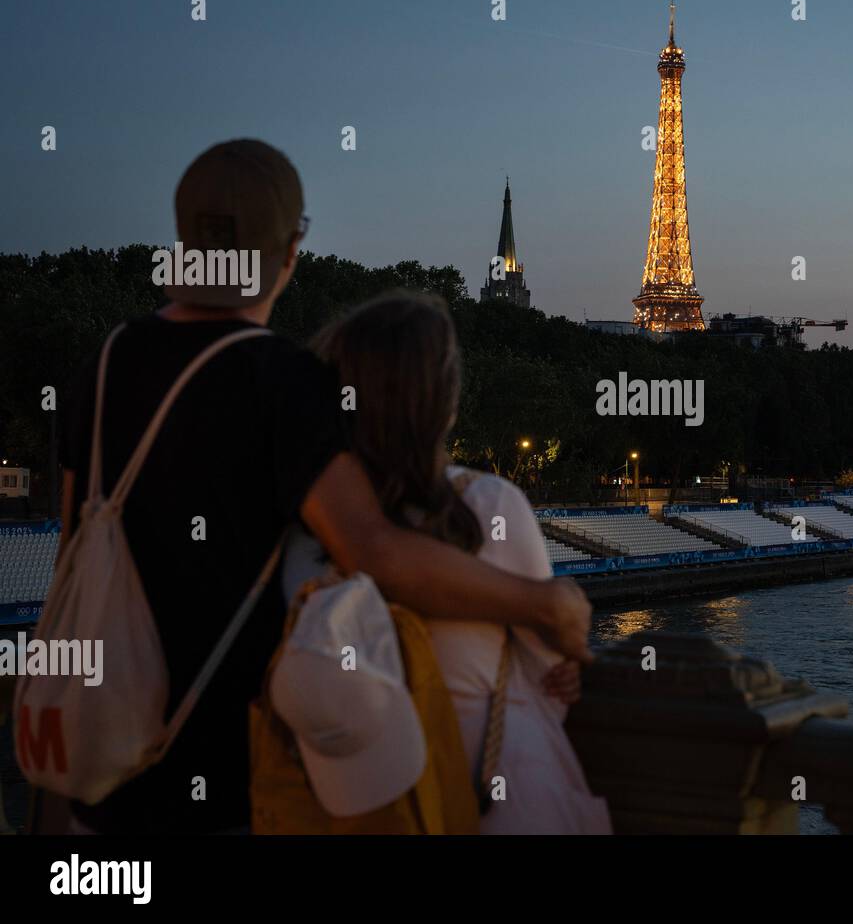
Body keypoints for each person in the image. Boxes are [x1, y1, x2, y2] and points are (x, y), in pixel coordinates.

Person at [52, 140, 592, 834]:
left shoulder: (103, 363)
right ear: (289, 253)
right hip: (230, 773)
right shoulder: (280, 378)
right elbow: (376, 552)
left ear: (184, 240)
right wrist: (545, 603)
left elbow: (71, 571)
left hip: (102, 786)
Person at [282, 292, 611, 834]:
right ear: (446, 403)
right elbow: (553, 678)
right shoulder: (490, 507)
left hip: (359, 812)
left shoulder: (306, 533)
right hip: (491, 800)